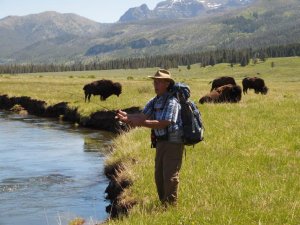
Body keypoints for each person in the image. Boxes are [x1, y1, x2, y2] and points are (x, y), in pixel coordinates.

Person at [116, 69, 184, 205]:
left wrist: (141, 123)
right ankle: (163, 203)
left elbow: (164, 123)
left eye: (159, 82)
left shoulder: (172, 102)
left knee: (169, 175)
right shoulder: (154, 101)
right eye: (155, 81)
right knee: (159, 175)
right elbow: (142, 116)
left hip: (174, 142)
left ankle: (170, 206)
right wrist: (126, 117)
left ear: (167, 84)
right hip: (161, 142)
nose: (155, 84)